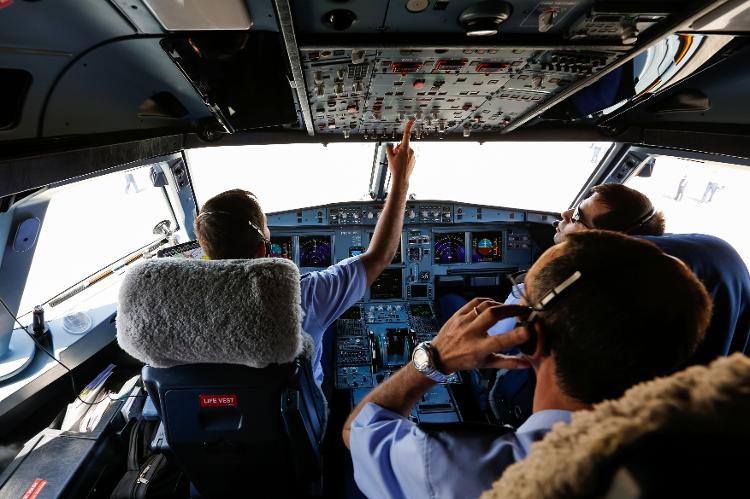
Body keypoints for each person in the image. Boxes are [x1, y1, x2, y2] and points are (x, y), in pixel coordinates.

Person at [343, 230, 712, 499]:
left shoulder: (454, 469)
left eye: (522, 294)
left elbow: (357, 432)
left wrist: (433, 359)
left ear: (530, 337)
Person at [193, 120, 416, 386]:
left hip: (236, 411)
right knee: (331, 329)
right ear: (264, 249)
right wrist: (401, 179)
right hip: (299, 416)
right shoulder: (301, 297)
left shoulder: (187, 305)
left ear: (206, 253)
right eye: (267, 228)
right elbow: (380, 255)